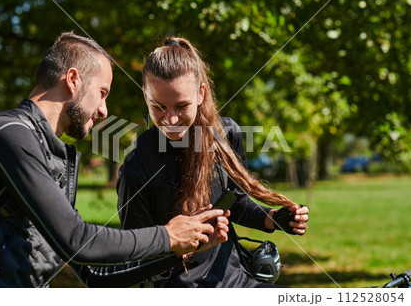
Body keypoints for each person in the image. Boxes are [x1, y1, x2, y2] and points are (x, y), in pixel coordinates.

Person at [0, 32, 230, 288]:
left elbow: (95, 276)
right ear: (73, 79)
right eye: (102, 92)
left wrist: (179, 249)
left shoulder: (46, 154)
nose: (104, 110)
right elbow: (77, 238)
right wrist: (168, 236)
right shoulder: (6, 134)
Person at [117, 37, 310, 288]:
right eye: (159, 106)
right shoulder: (136, 167)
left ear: (200, 93)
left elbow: (236, 203)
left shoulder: (226, 134)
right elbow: (134, 258)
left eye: (181, 106)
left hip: (237, 282)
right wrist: (178, 249)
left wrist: (274, 218)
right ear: (145, 95)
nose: (171, 119)